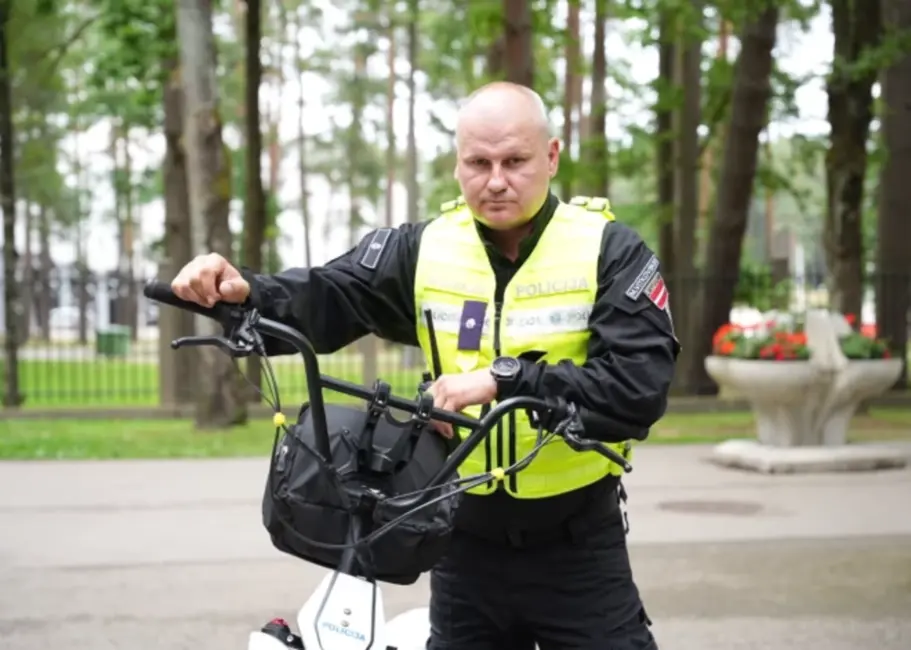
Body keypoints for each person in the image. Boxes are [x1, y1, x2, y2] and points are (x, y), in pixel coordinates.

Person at [171, 81, 679, 650]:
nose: (496, 180)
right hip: (463, 541)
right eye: (478, 162)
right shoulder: (425, 248)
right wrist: (246, 295)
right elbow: (331, 295)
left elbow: (638, 387)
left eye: (515, 161)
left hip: (579, 542)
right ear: (457, 164)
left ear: (552, 157)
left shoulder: (610, 249)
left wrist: (505, 378)